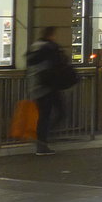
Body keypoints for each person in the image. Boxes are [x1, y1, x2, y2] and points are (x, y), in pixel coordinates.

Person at [26, 26, 66, 155]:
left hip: (36, 86)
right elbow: (61, 62)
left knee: (44, 116)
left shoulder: (34, 46)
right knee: (58, 113)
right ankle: (43, 140)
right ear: (51, 35)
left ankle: (42, 140)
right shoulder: (50, 47)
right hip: (49, 86)